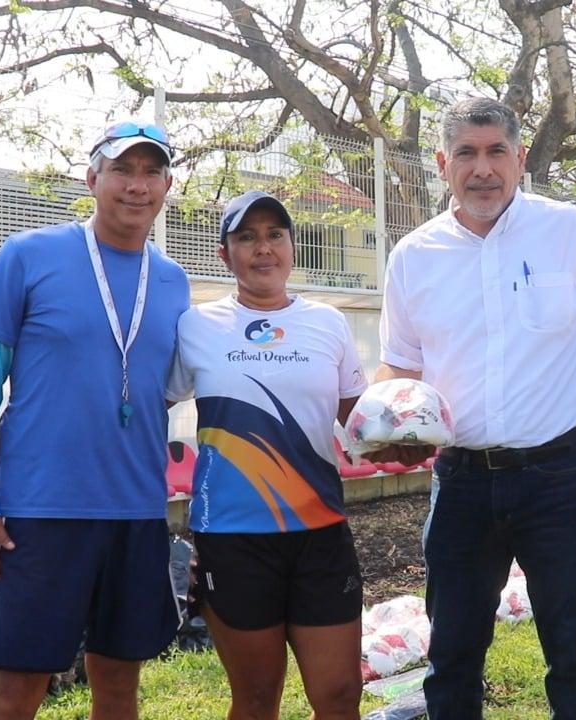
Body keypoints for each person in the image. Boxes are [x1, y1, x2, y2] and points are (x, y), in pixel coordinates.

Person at [374, 97, 576, 719]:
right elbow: (399, 365)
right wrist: (388, 418)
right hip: (462, 482)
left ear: (521, 159)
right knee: (452, 654)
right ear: (442, 163)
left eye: (497, 151)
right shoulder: (413, 256)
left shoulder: (568, 232)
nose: (483, 168)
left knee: (574, 652)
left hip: (561, 477)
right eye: (466, 153)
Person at [0, 120, 190, 720]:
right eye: (121, 170)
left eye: (151, 172)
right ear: (91, 179)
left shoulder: (172, 281)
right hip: (41, 513)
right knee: (15, 693)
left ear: (166, 186)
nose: (136, 185)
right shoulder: (28, 256)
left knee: (118, 685)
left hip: (136, 511)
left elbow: (159, 392)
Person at [166, 190, 368, 720]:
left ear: (292, 247)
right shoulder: (195, 325)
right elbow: (150, 406)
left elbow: (359, 416)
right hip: (233, 537)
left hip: (319, 533)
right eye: (247, 237)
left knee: (340, 695)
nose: (263, 248)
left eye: (275, 235)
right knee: (256, 700)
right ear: (224, 254)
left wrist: (410, 426)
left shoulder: (328, 322)